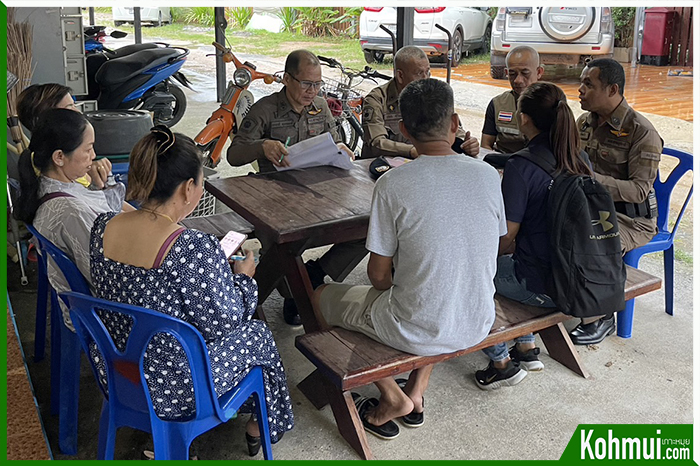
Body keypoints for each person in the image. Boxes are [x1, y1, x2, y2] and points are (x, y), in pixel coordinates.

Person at [312, 78, 505, 439]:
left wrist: (402, 280)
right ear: (454, 123)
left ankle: (392, 394)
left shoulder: (394, 183)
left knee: (321, 298)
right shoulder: (488, 175)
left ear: (403, 129)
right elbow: (487, 243)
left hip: (418, 327)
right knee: (434, 292)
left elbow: (377, 276)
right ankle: (415, 392)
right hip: (477, 319)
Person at [89, 126, 294, 454]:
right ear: (188, 188)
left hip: (117, 374)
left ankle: (259, 418)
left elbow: (144, 295)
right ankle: (265, 425)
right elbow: (225, 325)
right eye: (201, 182)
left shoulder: (102, 226)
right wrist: (242, 278)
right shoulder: (190, 248)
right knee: (257, 334)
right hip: (174, 388)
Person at [227, 49, 367, 326]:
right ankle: (295, 295)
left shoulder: (321, 106)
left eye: (317, 84)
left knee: (367, 229)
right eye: (306, 84)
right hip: (273, 195)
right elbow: (234, 155)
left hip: (319, 189)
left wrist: (339, 148)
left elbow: (334, 140)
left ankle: (315, 273)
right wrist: (262, 146)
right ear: (287, 79)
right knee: (284, 250)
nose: (312, 91)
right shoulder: (265, 110)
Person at [475, 82, 593, 389]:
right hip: (579, 280)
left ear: (524, 118)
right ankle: (526, 347)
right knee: (519, 258)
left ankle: (501, 360)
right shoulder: (579, 157)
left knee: (472, 274)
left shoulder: (521, 166)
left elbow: (505, 238)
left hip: (541, 287)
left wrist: (475, 256)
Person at [569, 57, 662, 345]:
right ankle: (559, 295)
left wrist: (591, 179)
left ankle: (601, 316)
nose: (580, 90)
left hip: (630, 219)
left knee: (588, 242)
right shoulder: (584, 122)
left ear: (613, 89)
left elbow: (638, 191)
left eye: (589, 84)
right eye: (581, 83)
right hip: (589, 208)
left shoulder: (641, 132)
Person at [15, 108, 126, 331]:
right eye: (88, 149)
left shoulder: (49, 189)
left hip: (88, 299)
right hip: (103, 315)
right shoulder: (69, 212)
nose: (94, 156)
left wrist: (99, 185)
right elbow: (108, 279)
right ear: (59, 157)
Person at [361, 45, 479, 159]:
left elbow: (448, 127)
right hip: (382, 167)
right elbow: (376, 143)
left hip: (424, 164)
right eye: (419, 73)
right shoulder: (377, 99)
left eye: (427, 72)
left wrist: (468, 143)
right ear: (400, 76)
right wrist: (411, 151)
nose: (425, 78)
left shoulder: (431, 93)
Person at [16, 83, 113, 189]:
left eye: (74, 105)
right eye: (70, 107)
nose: (78, 112)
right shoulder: (54, 170)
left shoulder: (68, 162)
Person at [480, 45, 544, 154]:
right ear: (506, 73)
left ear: (539, 72)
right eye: (512, 74)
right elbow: (486, 145)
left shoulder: (551, 104)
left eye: (525, 73)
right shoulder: (497, 104)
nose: (518, 80)